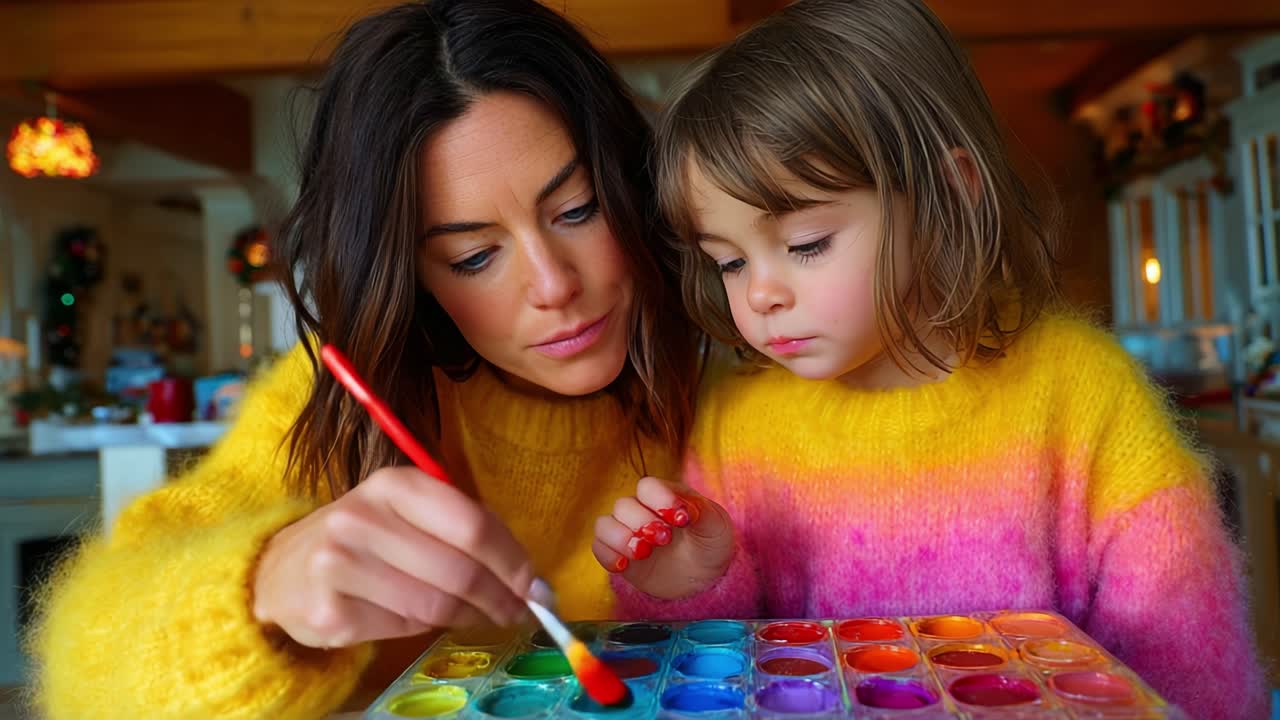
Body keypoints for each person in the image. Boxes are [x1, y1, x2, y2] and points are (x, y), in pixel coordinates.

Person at [592, 0, 1270, 716]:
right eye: (727, 261)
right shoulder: (739, 417)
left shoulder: (1083, 392)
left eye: (806, 245)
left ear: (950, 191)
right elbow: (713, 675)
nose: (760, 293)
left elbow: (1189, 659)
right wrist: (689, 583)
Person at [27, 1, 703, 718]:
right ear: (409, 275)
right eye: (472, 256)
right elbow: (83, 679)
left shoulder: (751, 340)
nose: (554, 284)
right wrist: (263, 591)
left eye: (578, 210)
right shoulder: (348, 398)